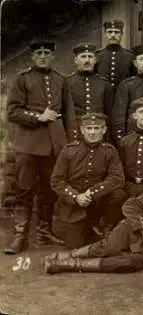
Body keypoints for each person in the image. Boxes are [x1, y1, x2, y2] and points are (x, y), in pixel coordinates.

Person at [44, 166, 143, 274]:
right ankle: (67, 256)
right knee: (109, 247)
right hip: (134, 228)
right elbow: (131, 205)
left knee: (128, 263)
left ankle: (69, 265)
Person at [4, 40, 74, 254]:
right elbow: (13, 112)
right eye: (39, 53)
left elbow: (69, 114)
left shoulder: (61, 80)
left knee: (49, 189)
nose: (43, 56)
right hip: (28, 143)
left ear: (53, 56)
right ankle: (20, 234)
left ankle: (44, 231)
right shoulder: (23, 79)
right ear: (32, 57)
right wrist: (38, 116)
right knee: (25, 188)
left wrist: (71, 143)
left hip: (54, 144)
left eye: (47, 53)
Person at [50, 113, 127, 248]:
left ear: (104, 130)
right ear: (82, 130)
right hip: (74, 204)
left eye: (97, 128)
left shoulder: (109, 151)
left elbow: (117, 178)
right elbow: (56, 181)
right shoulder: (69, 150)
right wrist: (75, 197)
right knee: (75, 244)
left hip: (97, 201)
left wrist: (92, 192)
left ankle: (105, 226)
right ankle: (86, 227)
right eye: (89, 128)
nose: (92, 132)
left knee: (118, 195)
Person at [112, 45, 143, 142]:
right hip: (131, 133)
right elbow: (119, 115)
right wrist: (121, 137)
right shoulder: (126, 85)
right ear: (135, 63)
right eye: (141, 59)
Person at [66, 43, 114, 141]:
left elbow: (109, 112)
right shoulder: (67, 83)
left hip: (99, 133)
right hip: (76, 132)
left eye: (90, 57)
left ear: (95, 60)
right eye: (83, 57)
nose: (87, 60)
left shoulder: (104, 83)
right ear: (76, 60)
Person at [95, 19, 135, 89]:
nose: (113, 35)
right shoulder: (97, 55)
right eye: (109, 32)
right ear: (105, 34)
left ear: (122, 34)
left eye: (116, 32)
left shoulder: (130, 56)